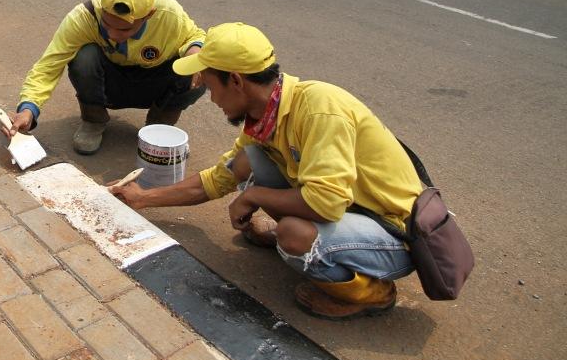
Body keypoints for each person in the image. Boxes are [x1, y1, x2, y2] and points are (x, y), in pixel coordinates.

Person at [110, 22, 422, 320]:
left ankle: (372, 294)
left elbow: (327, 202)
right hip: (350, 210)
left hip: (393, 232)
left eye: (209, 84)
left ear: (235, 80)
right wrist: (143, 198)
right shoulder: (266, 115)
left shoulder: (319, 109)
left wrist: (254, 196)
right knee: (249, 160)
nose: (212, 98)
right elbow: (222, 177)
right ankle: (307, 239)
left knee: (294, 235)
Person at [4, 0, 206, 155]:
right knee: (84, 57)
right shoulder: (84, 17)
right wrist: (28, 109)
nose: (113, 34)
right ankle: (94, 119)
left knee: (204, 64)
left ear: (149, 15)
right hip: (110, 84)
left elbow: (196, 36)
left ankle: (159, 126)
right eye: (107, 24)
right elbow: (49, 65)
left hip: (154, 81)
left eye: (125, 30)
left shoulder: (168, 12)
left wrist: (195, 52)